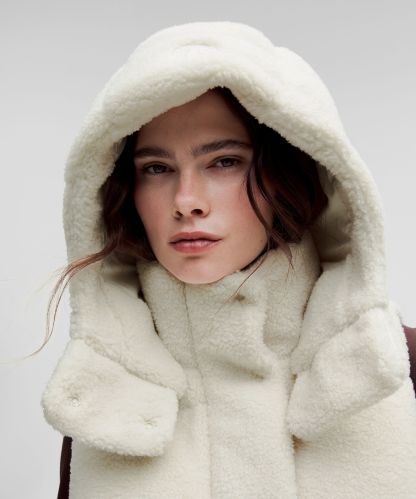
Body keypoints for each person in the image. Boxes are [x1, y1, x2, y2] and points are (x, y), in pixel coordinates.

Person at [41, 21, 416, 499]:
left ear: (290, 171)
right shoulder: (107, 401)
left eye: (224, 161)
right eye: (156, 168)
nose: (186, 201)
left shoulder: (395, 366)